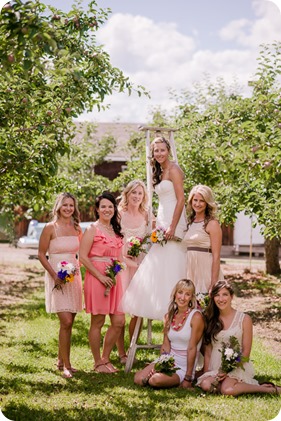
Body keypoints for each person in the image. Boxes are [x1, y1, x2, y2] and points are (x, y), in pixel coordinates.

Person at [121, 136, 187, 320]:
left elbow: (181, 199)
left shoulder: (174, 169)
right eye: (155, 150)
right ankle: (161, 305)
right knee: (159, 260)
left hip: (174, 218)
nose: (159, 153)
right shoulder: (157, 170)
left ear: (168, 150)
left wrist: (173, 226)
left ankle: (176, 307)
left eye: (162, 149)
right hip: (163, 218)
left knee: (172, 258)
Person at [197, 280, 281, 395]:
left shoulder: (244, 319)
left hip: (236, 366)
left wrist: (228, 369)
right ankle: (228, 384)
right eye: (217, 295)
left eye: (225, 294)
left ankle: (266, 389)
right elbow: (208, 351)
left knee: (227, 390)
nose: (221, 299)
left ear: (231, 296)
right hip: (215, 367)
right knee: (206, 384)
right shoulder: (210, 319)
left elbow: (246, 353)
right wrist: (207, 373)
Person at [38, 192, 83, 379]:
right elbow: (41, 254)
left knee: (69, 323)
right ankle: (67, 365)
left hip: (73, 277)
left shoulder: (77, 228)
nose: (68, 208)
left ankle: (59, 360)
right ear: (58, 206)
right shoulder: (50, 228)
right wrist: (54, 275)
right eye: (65, 205)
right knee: (65, 321)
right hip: (56, 278)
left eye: (71, 205)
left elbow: (82, 253)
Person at [80, 192, 125, 374]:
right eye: (103, 207)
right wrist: (101, 277)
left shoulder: (116, 231)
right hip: (96, 278)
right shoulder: (92, 229)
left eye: (110, 207)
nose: (107, 210)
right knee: (98, 321)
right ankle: (97, 362)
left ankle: (106, 358)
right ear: (97, 210)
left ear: (114, 210)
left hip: (114, 280)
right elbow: (83, 257)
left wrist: (114, 275)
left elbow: (120, 259)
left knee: (119, 321)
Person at [134, 279, 204, 388]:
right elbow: (166, 346)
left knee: (155, 380)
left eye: (187, 294)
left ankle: (162, 377)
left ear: (191, 297)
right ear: (175, 294)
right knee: (138, 379)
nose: (182, 297)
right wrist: (162, 365)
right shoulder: (169, 316)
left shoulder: (196, 317)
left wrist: (188, 377)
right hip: (169, 361)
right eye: (180, 292)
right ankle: (155, 373)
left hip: (183, 367)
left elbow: (192, 348)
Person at [116, 180, 149, 364]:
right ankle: (121, 353)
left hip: (140, 264)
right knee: (120, 310)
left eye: (140, 194)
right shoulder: (119, 215)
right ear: (127, 194)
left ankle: (132, 348)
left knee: (137, 310)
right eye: (133, 193)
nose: (136, 197)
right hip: (123, 265)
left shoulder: (146, 215)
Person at [183, 185, 224, 295]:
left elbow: (216, 256)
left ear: (207, 203)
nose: (197, 204)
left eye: (202, 201)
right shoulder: (189, 222)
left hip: (205, 268)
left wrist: (214, 282)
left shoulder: (212, 224)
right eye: (195, 200)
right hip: (190, 268)